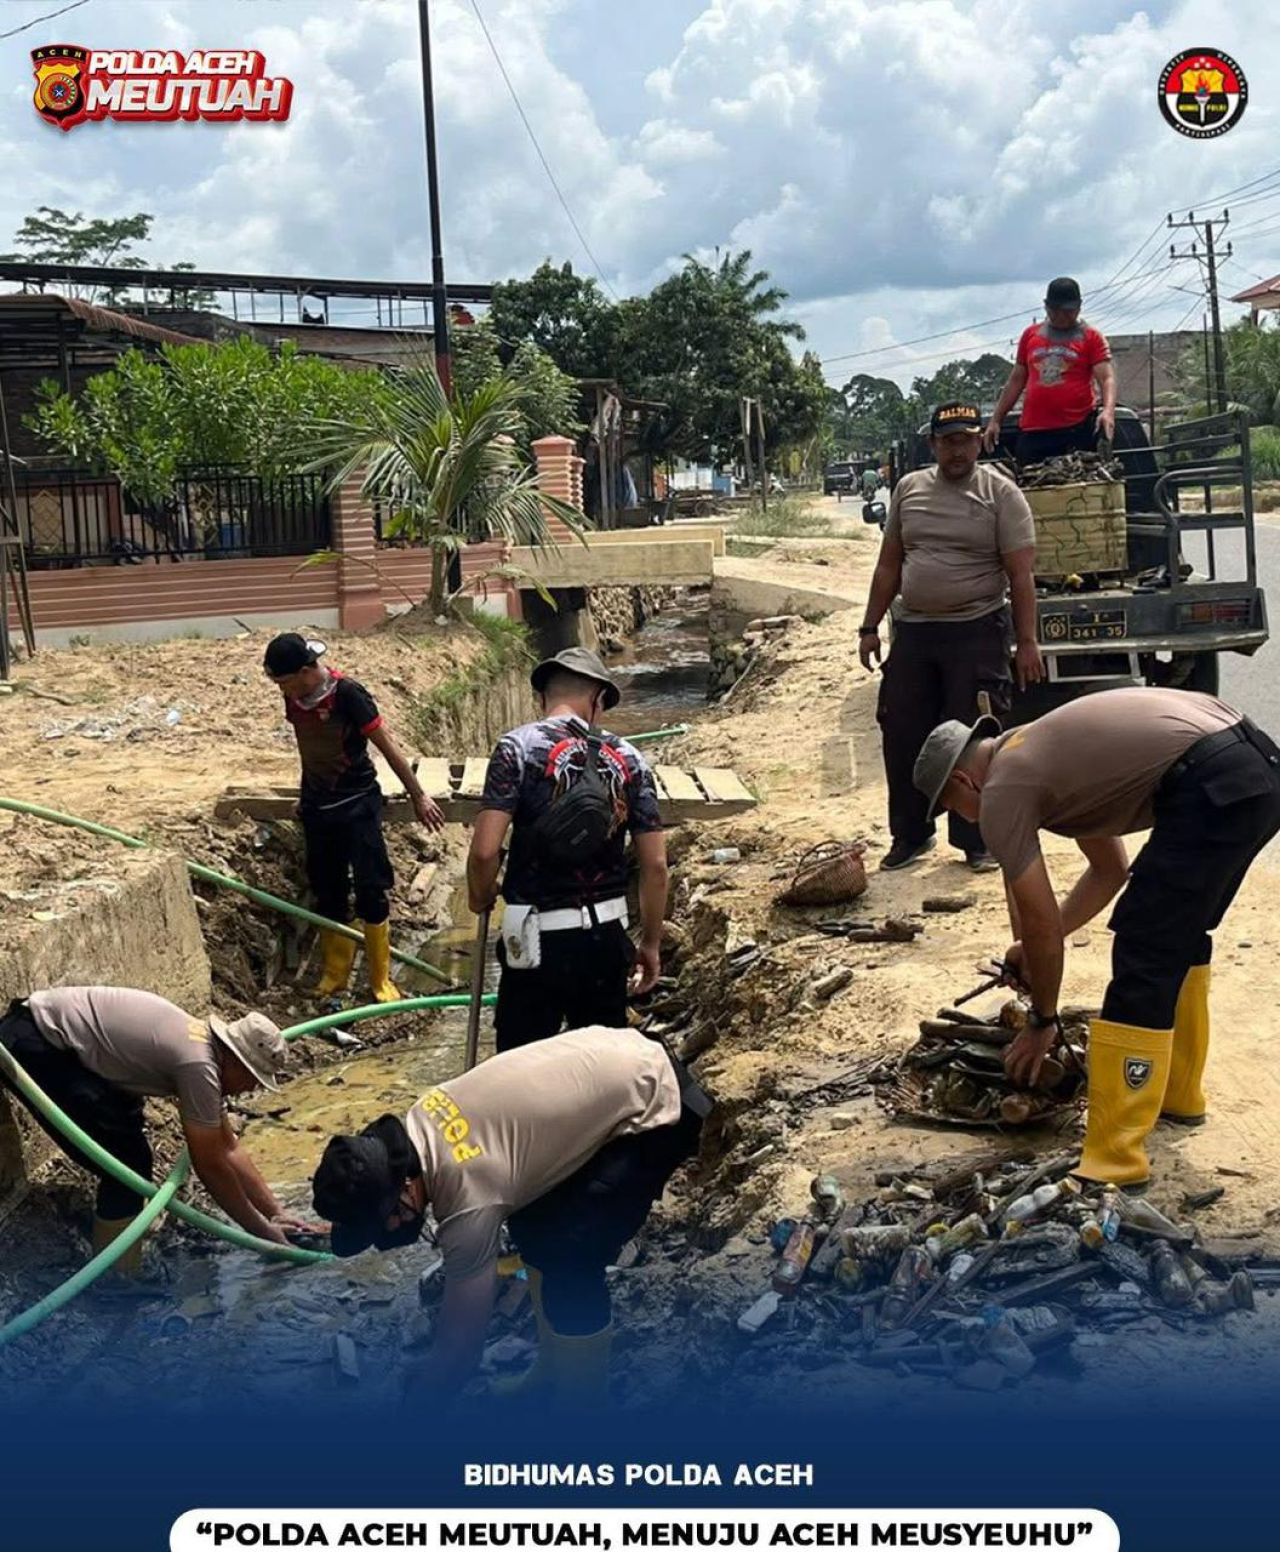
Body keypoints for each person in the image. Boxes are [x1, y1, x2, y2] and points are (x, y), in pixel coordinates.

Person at [913, 688, 1280, 1189]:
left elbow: (1040, 927)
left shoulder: (1003, 789)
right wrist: (1036, 946)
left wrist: (1043, 1019)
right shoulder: (1034, 751)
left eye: (953, 807)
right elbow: (1109, 871)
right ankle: (1177, 1095)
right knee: (1178, 935)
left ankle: (1114, 1157)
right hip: (1255, 766)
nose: (965, 820)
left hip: (1210, 780)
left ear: (962, 780)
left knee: (1144, 948)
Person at [312, 1024, 711, 1403]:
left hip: (656, 1104)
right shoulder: (421, 1119)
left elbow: (461, 1346)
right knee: (533, 1226)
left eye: (388, 1220)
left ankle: (583, 1410)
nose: (393, 1230)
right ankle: (552, 1368)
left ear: (403, 1186)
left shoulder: (468, 1199)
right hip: (622, 1054)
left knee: (571, 1258)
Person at [860, 402, 1045, 873]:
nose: (957, 449)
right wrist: (868, 626)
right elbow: (889, 565)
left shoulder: (1000, 493)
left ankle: (977, 840)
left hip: (977, 630)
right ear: (933, 445)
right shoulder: (909, 489)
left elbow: (1021, 576)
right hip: (916, 632)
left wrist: (1027, 643)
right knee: (901, 731)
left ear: (980, 439)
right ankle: (911, 835)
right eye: (948, 441)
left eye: (966, 439)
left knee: (976, 735)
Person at [0, 986, 302, 1268]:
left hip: (43, 1033)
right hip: (34, 1041)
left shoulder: (205, 1050)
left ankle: (119, 1245)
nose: (248, 1089)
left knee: (126, 1138)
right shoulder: (199, 1065)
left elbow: (229, 1147)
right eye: (252, 1078)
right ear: (238, 1061)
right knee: (127, 1168)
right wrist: (263, 1234)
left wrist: (277, 1214)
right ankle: (115, 1278)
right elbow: (210, 1165)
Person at [466, 647, 668, 1052]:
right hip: (605, 938)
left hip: (533, 941)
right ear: (597, 700)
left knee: (522, 1070)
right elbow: (656, 866)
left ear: (544, 697)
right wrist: (650, 942)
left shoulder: (516, 749)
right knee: (598, 1071)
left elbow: (485, 853)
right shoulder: (630, 758)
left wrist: (478, 895)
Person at [263, 634, 445, 1005]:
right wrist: (304, 794)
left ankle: (380, 980)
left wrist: (418, 795)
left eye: (284, 681)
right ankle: (335, 976)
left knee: (370, 887)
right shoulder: (294, 697)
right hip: (318, 807)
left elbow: (387, 745)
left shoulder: (347, 694)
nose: (282, 690)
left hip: (357, 802)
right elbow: (307, 750)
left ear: (304, 671)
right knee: (328, 890)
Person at [983, 277, 1116, 462]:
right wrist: (996, 420)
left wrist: (1108, 411)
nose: (1061, 317)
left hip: (1076, 429)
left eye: (1067, 311)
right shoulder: (1030, 335)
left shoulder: (1091, 337)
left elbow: (1106, 377)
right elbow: (1016, 380)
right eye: (1055, 311)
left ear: (1079, 308)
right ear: (1046, 307)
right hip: (1034, 431)